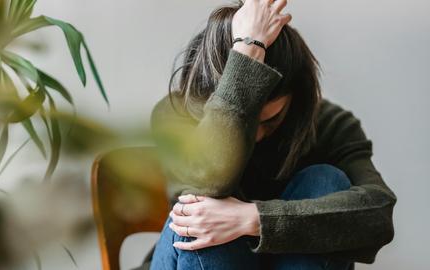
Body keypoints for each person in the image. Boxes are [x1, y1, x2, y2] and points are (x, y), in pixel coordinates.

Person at [139, 0, 397, 269]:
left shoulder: (327, 123)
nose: (258, 135)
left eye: (272, 120)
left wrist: (254, 219)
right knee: (199, 211)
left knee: (324, 180)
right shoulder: (176, 113)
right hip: (199, 259)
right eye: (252, 120)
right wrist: (248, 50)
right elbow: (207, 184)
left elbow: (378, 213)